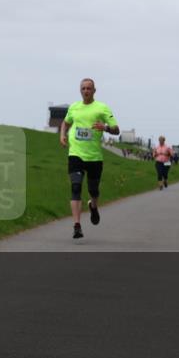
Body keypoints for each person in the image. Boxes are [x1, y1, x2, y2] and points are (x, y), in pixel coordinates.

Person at [59, 78, 120, 239]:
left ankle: (93, 207)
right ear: (80, 90)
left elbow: (117, 130)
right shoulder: (74, 107)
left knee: (93, 190)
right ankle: (77, 225)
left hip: (94, 157)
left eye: (89, 88)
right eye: (83, 88)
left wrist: (105, 127)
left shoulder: (102, 108)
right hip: (75, 154)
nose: (86, 91)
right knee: (76, 188)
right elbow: (65, 123)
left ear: (94, 91)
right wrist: (62, 135)